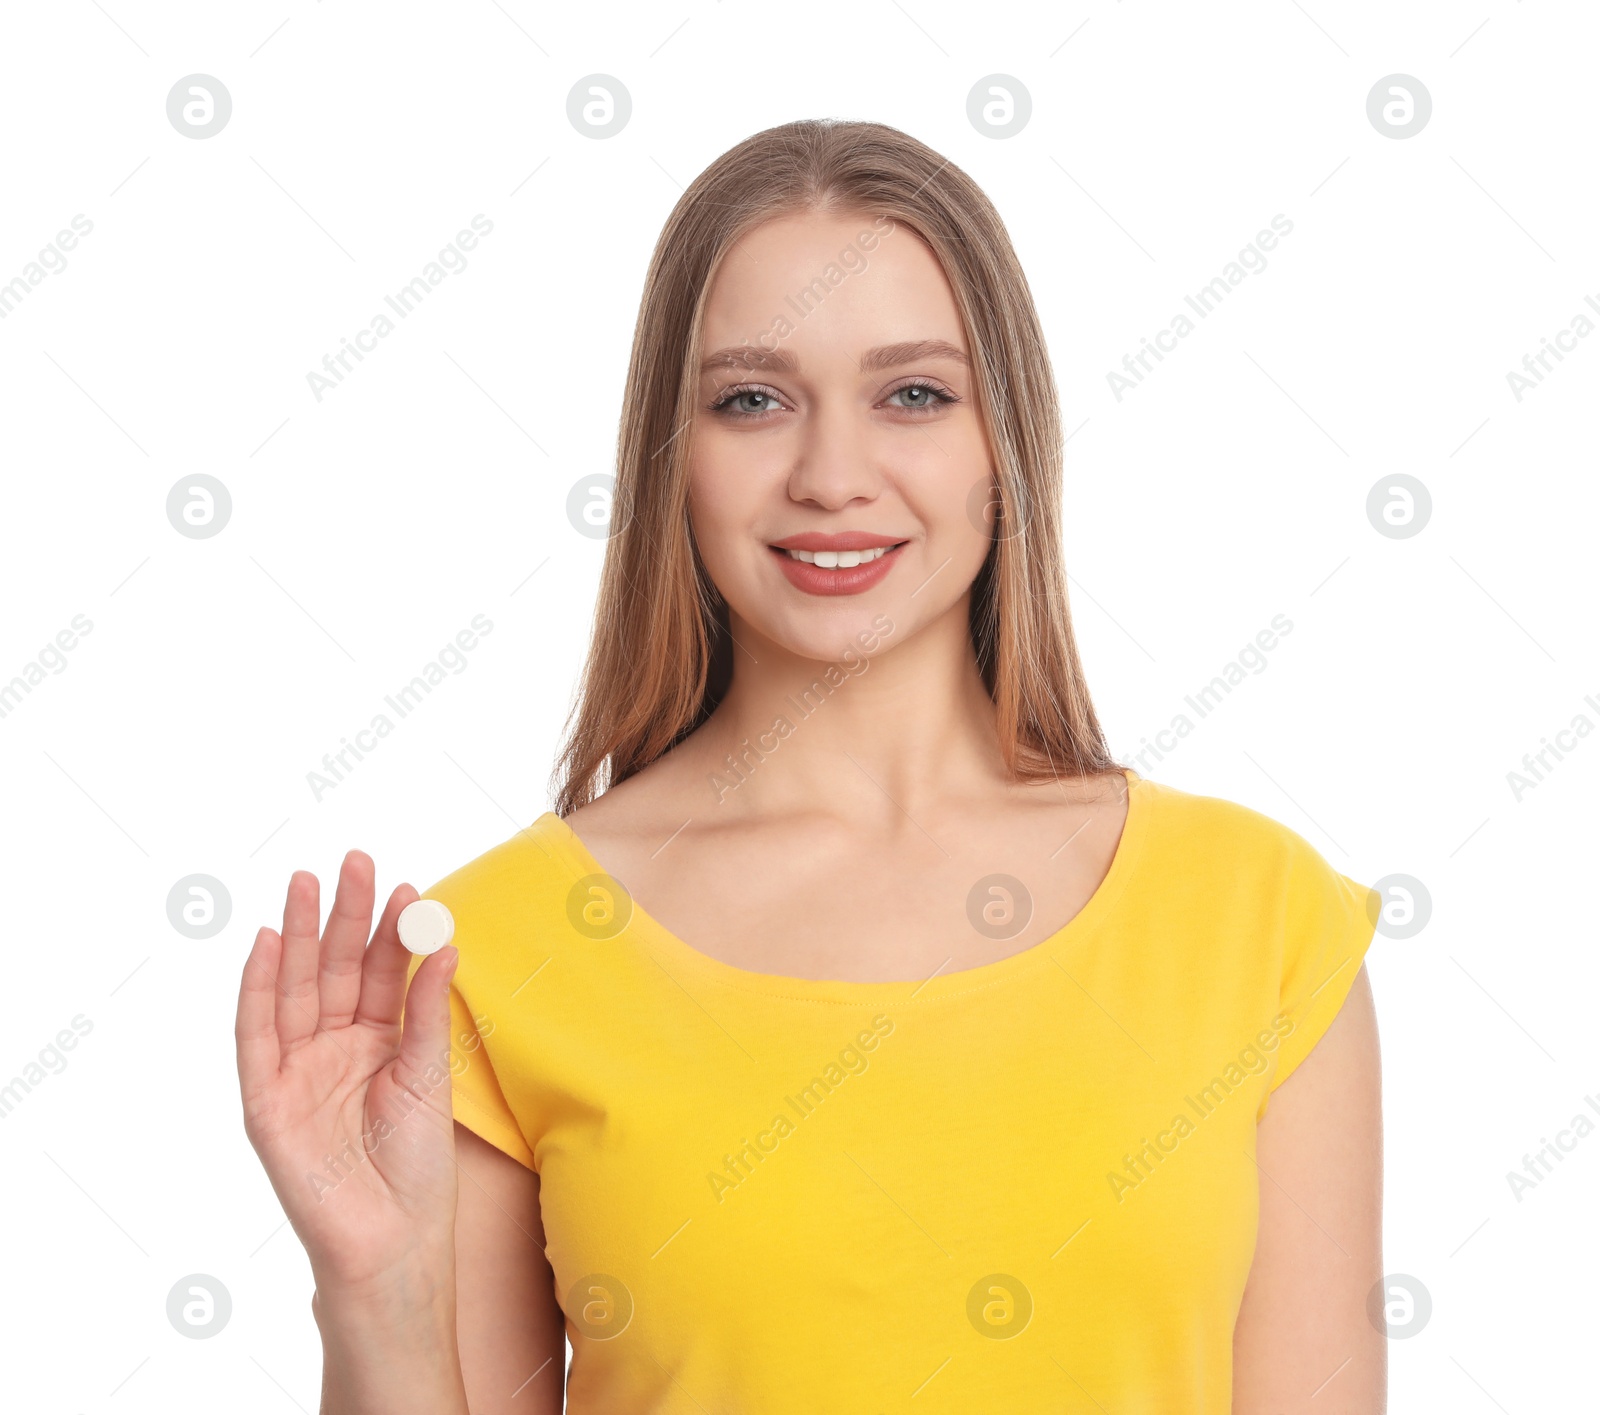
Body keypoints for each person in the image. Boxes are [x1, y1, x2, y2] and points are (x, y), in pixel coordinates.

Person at [236, 119, 1383, 1414]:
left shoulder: (1255, 915)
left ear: (1004, 446)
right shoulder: (497, 951)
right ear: (676, 457)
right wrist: (375, 1292)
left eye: (912, 394)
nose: (833, 476)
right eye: (752, 400)